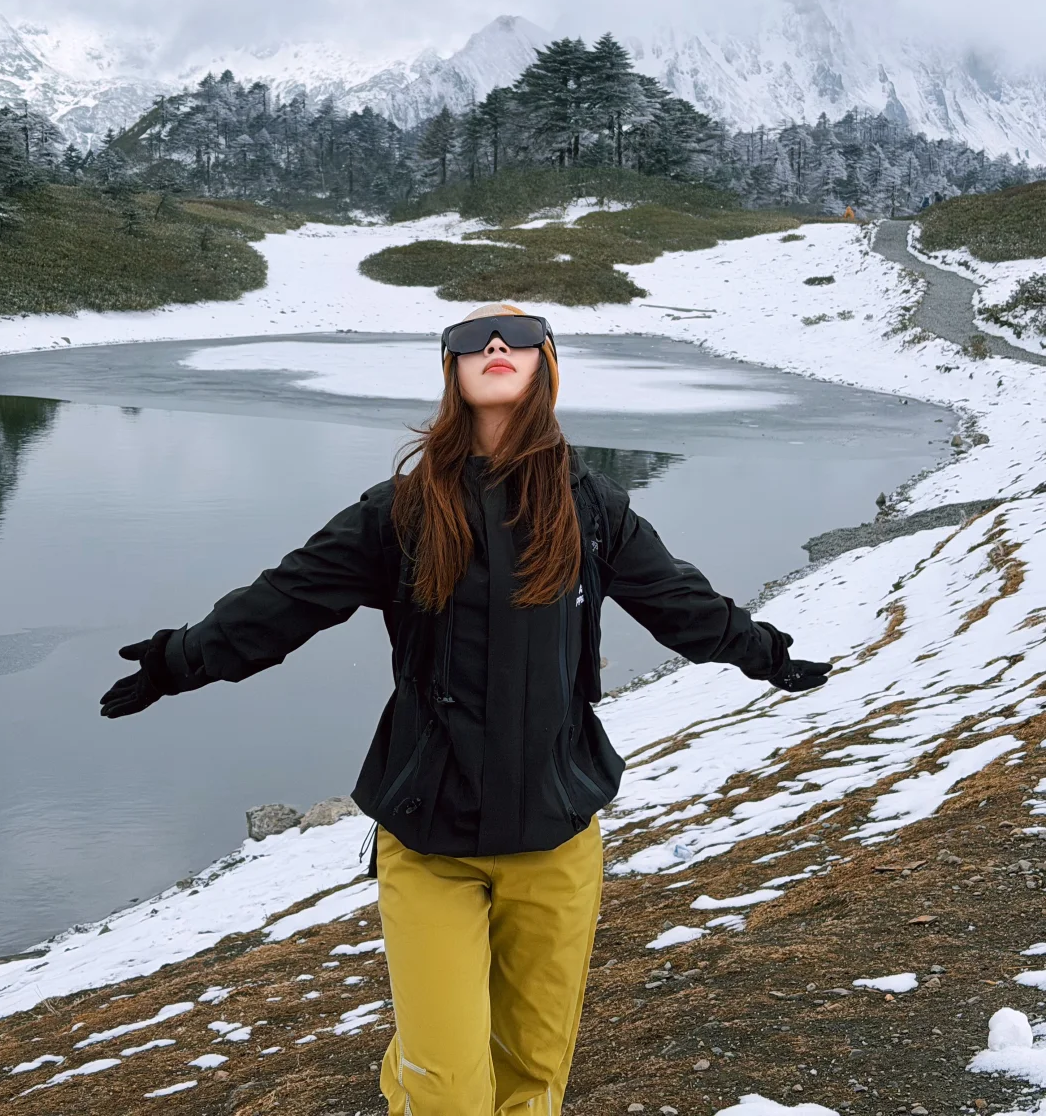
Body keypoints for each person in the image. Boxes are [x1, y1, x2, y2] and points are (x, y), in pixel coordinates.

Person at [100, 302, 832, 1115]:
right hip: (430, 837)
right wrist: (177, 660)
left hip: (555, 835)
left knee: (531, 1081)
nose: (493, 346)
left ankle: (418, 1065)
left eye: (518, 336)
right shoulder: (401, 512)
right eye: (470, 339)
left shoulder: (593, 510)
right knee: (451, 1092)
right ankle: (416, 1072)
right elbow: (287, 600)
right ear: (449, 370)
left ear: (546, 364)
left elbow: (681, 605)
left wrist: (767, 654)